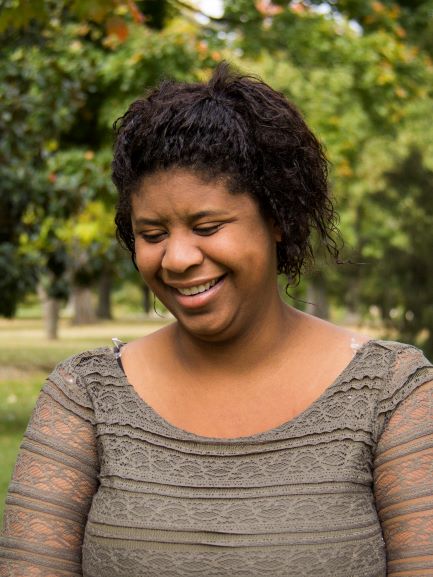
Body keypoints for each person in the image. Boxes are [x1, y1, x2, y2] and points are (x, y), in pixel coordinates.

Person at [1, 63, 433, 577]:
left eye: (207, 226)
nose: (177, 258)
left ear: (276, 217)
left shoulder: (391, 393)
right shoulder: (85, 396)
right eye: (153, 234)